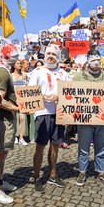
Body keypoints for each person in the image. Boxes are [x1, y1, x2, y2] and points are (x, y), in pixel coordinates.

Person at [28, 44, 69, 192]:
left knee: (55, 146)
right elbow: (30, 93)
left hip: (59, 113)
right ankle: (37, 177)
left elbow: (69, 93)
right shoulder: (37, 72)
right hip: (42, 113)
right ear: (45, 55)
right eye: (49, 53)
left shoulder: (63, 73)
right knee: (40, 147)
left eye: (54, 54)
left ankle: (53, 175)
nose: (51, 56)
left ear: (58, 56)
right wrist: (45, 96)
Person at [73, 50, 104, 187]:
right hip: (85, 118)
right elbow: (72, 95)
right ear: (88, 60)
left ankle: (101, 172)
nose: (96, 62)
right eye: (93, 59)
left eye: (98, 59)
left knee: (101, 146)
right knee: (83, 147)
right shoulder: (79, 76)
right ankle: (82, 171)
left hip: (102, 118)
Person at [0, 43, 20, 204]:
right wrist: (16, 107)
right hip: (3, 119)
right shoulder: (1, 72)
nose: (18, 58)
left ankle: (0, 181)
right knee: (0, 154)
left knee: (4, 152)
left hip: (6, 118)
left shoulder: (4, 69)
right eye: (15, 55)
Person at [11, 59, 28, 146]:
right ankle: (14, 137)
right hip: (13, 100)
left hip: (22, 99)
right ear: (14, 65)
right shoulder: (11, 76)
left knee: (22, 119)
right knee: (14, 119)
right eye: (17, 63)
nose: (19, 65)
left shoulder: (24, 75)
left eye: (20, 63)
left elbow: (26, 87)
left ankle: (21, 137)